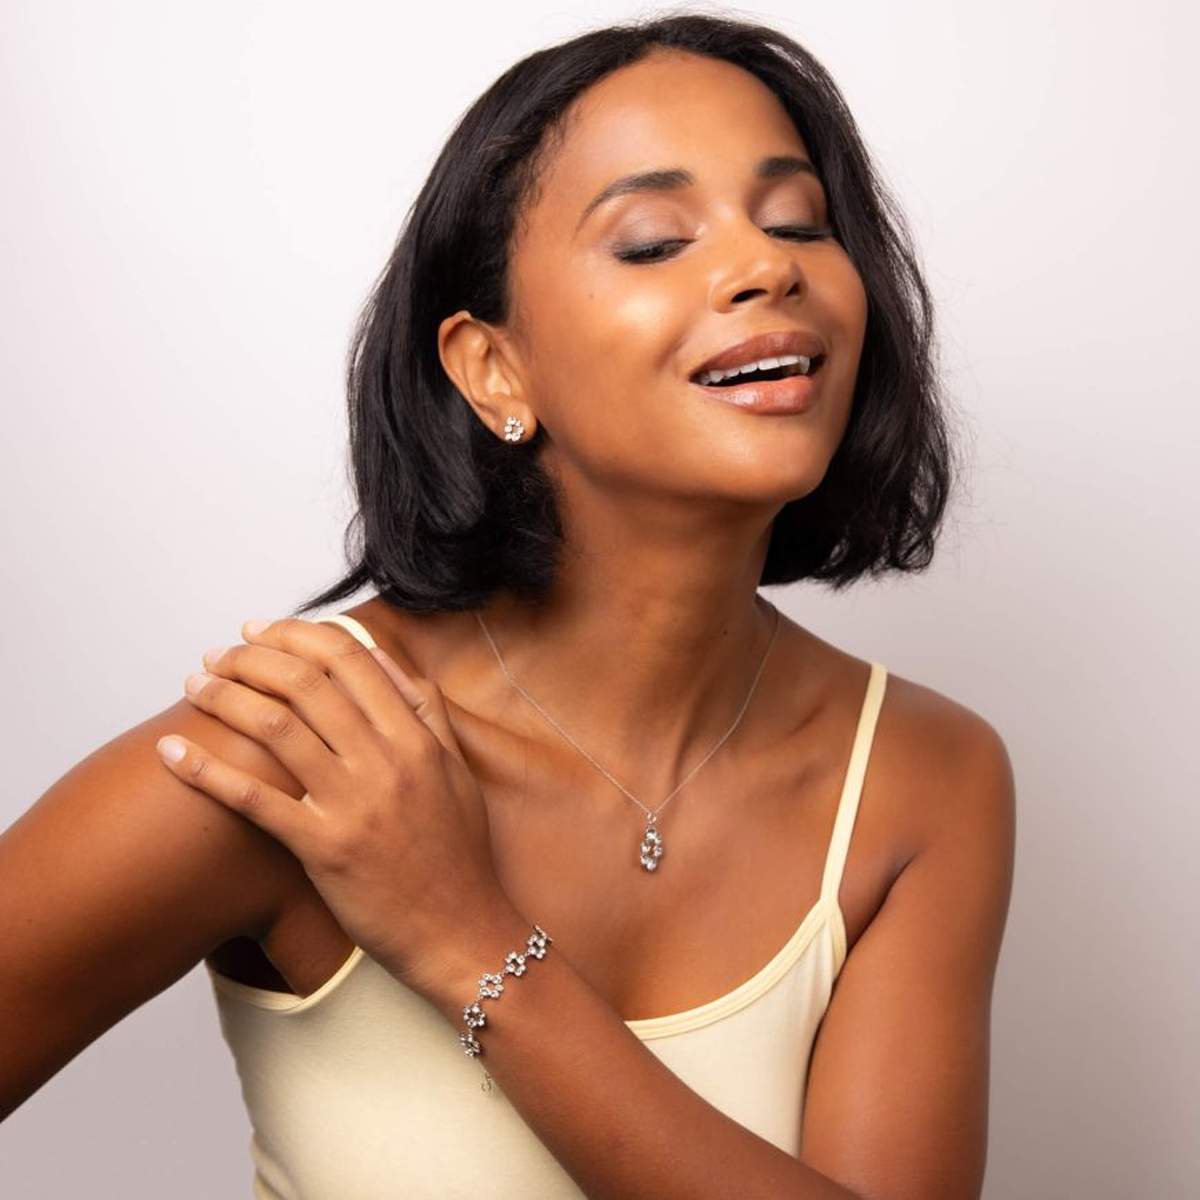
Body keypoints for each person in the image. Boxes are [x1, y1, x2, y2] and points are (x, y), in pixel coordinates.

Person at [0, 10, 1016, 1198]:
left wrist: (465, 937)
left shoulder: (921, 782)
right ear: (494, 370)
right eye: (651, 241)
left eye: (797, 221)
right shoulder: (305, 751)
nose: (768, 265)